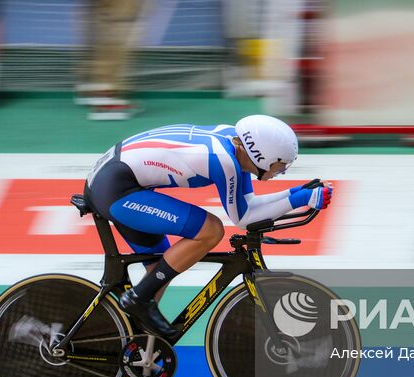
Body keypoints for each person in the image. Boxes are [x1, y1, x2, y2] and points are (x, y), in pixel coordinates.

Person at [85, 114, 331, 342]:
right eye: (281, 165)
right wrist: (299, 200)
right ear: (263, 156)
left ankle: (126, 343)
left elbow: (250, 204)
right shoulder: (224, 160)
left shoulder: (236, 144)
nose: (283, 171)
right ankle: (137, 299)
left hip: (115, 179)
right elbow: (244, 218)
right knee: (211, 230)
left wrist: (297, 193)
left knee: (159, 270)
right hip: (117, 189)